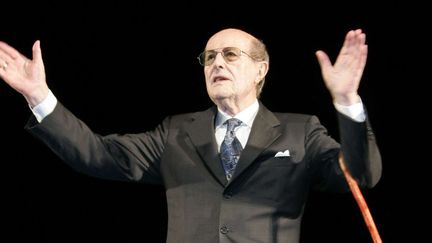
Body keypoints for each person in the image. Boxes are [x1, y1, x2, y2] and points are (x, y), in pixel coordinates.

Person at [0, 28, 381, 243]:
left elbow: (360, 176)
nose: (216, 63)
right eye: (209, 57)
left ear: (260, 69)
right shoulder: (176, 132)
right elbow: (97, 155)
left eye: (231, 55)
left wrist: (347, 101)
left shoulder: (301, 131)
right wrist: (39, 96)